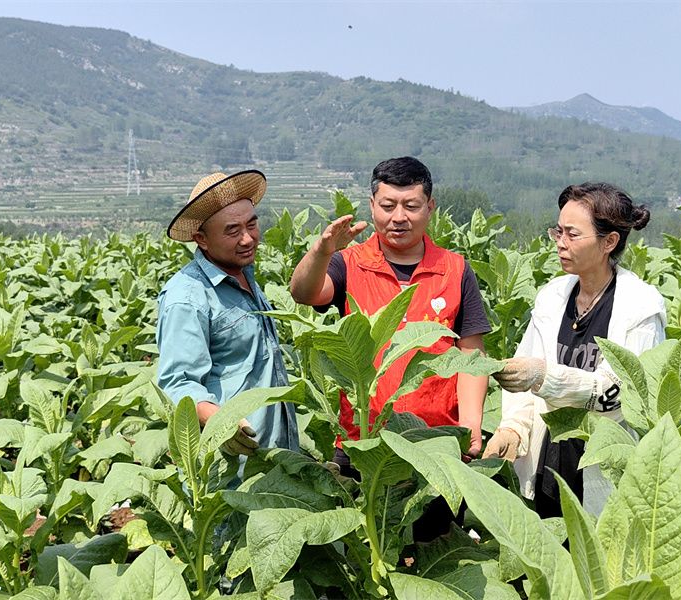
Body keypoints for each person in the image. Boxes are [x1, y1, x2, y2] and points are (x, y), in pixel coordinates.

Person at [290, 156, 491, 467]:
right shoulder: (349, 263)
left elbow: (470, 355)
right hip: (364, 442)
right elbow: (303, 293)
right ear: (372, 206)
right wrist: (322, 250)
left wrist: (471, 424)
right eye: (388, 206)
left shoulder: (455, 269)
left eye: (411, 206)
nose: (399, 217)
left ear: (430, 207)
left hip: (436, 442)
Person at [483, 182, 666, 517]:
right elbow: (526, 376)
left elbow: (621, 396)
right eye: (558, 231)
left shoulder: (640, 309)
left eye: (572, 234)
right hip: (549, 465)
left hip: (601, 468)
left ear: (609, 242)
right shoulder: (552, 297)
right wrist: (514, 427)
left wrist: (544, 376)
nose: (560, 244)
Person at [157, 170, 298, 459]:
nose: (248, 239)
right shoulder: (187, 297)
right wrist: (222, 423)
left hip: (273, 451)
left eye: (252, 225)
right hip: (232, 463)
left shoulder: (244, 273)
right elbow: (178, 383)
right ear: (202, 239)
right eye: (233, 230)